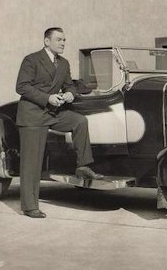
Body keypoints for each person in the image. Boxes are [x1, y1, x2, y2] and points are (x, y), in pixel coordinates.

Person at [15, 27, 103, 219]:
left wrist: (71, 93)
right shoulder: (31, 59)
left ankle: (82, 165)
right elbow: (21, 86)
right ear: (47, 41)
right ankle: (30, 207)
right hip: (32, 114)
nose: (63, 43)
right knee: (32, 162)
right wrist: (48, 98)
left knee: (79, 121)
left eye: (64, 40)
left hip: (53, 113)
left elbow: (69, 84)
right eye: (59, 39)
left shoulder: (63, 63)